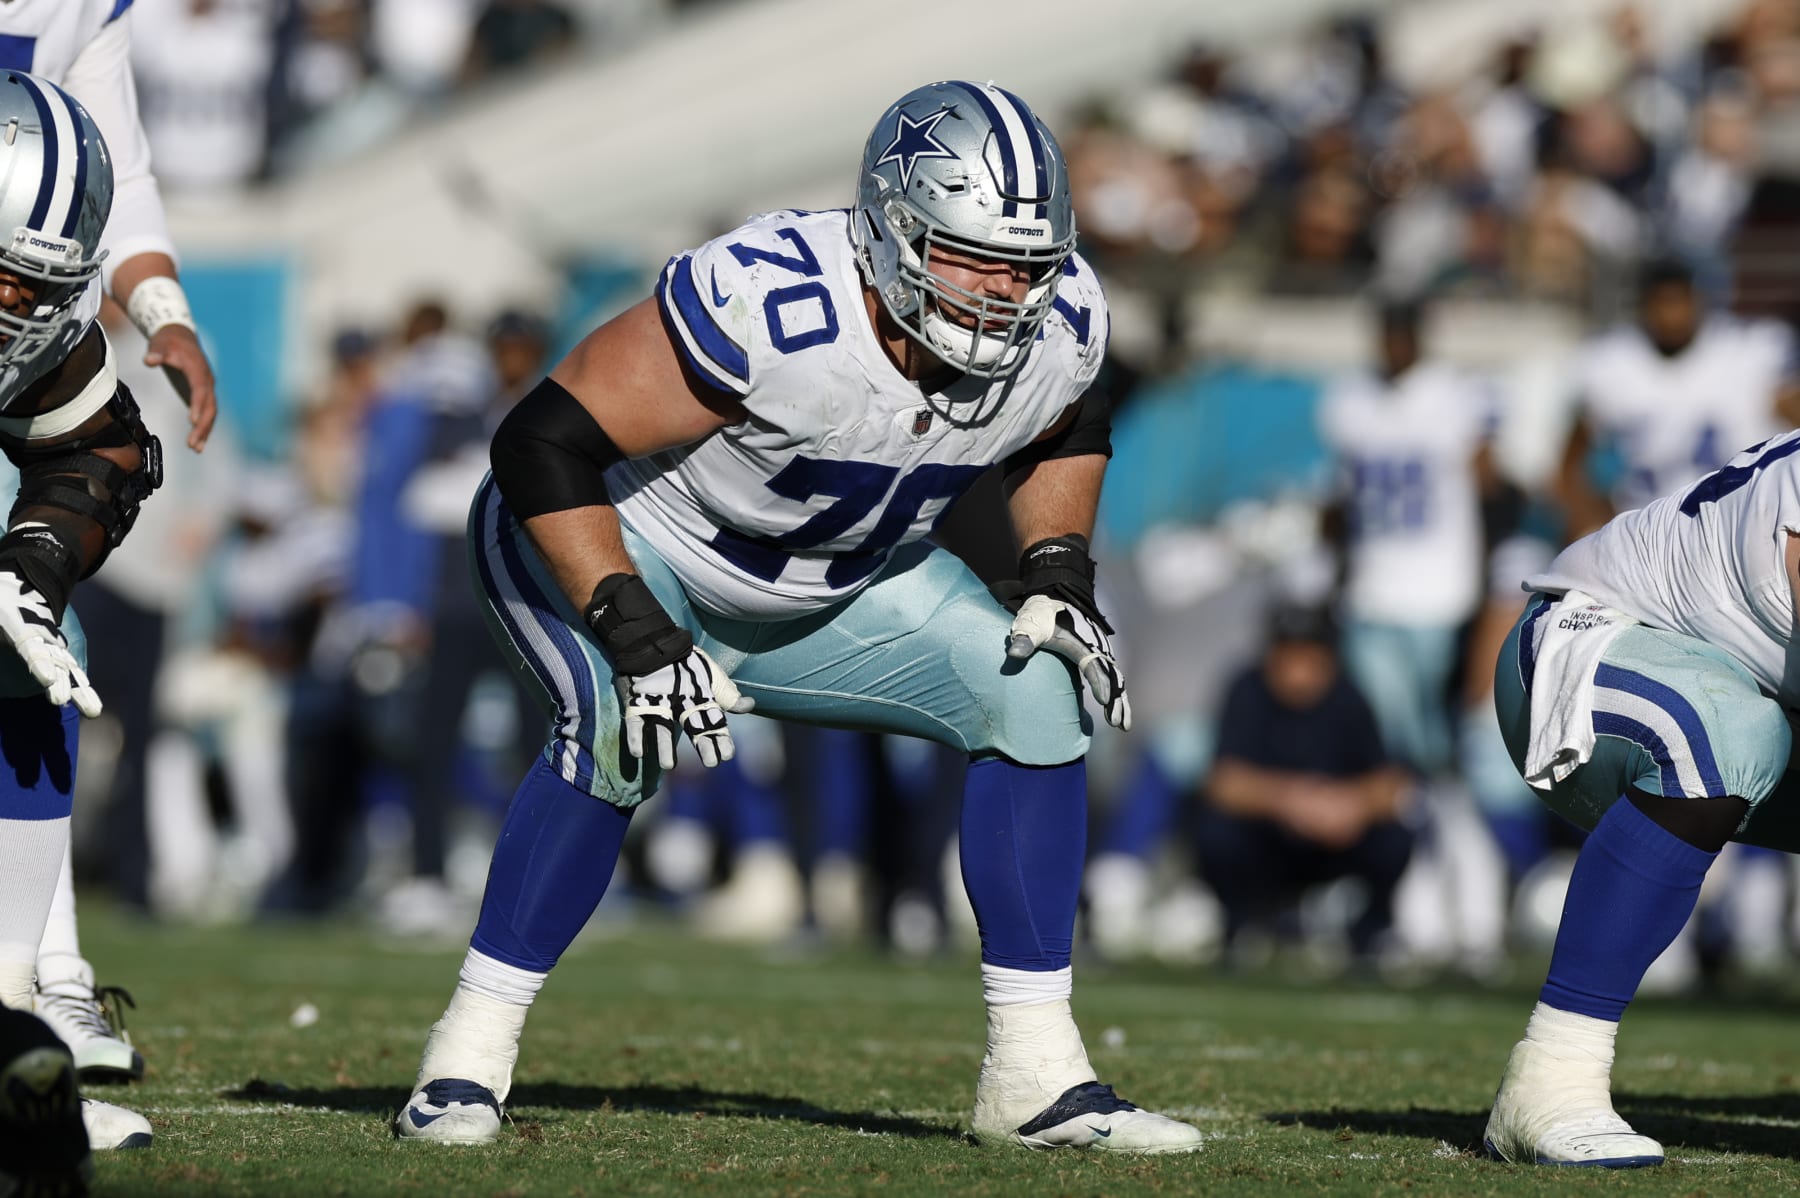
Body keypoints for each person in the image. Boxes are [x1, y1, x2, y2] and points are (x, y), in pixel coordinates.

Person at [395, 79, 1201, 1154]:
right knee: (612, 727)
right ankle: (465, 1061)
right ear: (890, 232)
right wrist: (633, 624)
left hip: (833, 582)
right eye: (971, 257)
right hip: (633, 544)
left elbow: (1071, 414)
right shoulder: (773, 305)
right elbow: (540, 443)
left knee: (1037, 689)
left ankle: (1037, 1076)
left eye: (1026, 265)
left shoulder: (1062, 320)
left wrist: (1054, 564)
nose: (1006, 294)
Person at [0, 0, 222, 1099]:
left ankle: (34, 983)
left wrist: (161, 305)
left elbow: (115, 164)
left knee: (32, 638)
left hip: (29, 285)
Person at [1485, 428, 1800, 1167]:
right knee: (1725, 734)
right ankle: (1553, 1072)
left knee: (1736, 725)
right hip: (1587, 647)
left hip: (1742, 686)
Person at [0, 72, 163, 1151]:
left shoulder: (47, 330)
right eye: (1, 278)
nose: (18, 308)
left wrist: (33, 569)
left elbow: (100, 452)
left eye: (33, 287)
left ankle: (9, 1019)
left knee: (34, 649)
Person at [1196, 603, 1412, 963]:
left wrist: (1350, 804)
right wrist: (1290, 800)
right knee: (1214, 829)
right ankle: (1240, 926)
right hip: (1267, 840)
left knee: (1397, 834)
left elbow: (1393, 784)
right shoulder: (1246, 689)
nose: (1296, 668)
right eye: (1286, 654)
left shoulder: (1351, 696)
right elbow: (1222, 782)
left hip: (1335, 839)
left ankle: (1371, 933)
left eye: (1307, 654)